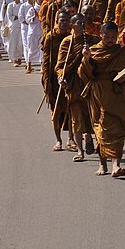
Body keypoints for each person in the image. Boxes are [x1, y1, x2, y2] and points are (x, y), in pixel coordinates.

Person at [79, 21, 125, 177]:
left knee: (117, 129)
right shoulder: (93, 51)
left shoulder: (123, 52)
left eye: (114, 37)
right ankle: (102, 164)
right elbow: (83, 74)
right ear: (101, 35)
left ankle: (116, 165)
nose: (110, 40)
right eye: (107, 37)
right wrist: (86, 60)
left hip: (116, 95)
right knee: (100, 129)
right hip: (97, 94)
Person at [56, 13, 101, 161]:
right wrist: (61, 76)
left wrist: (89, 55)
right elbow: (60, 64)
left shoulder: (93, 39)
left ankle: (89, 137)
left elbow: (100, 59)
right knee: (76, 117)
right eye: (78, 23)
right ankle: (80, 151)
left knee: (91, 114)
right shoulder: (67, 43)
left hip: (89, 82)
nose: (82, 25)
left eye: (84, 22)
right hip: (74, 84)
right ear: (72, 25)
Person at [42, 10, 72, 151]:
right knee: (56, 110)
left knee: (72, 109)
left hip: (70, 77)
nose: (64, 23)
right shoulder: (51, 37)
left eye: (67, 20)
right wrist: (46, 81)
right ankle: (58, 140)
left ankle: (71, 139)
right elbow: (46, 60)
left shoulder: (72, 36)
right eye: (62, 21)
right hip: (54, 78)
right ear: (57, 21)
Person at [19, 0, 42, 72]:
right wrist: (33, 16)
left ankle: (42, 66)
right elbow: (27, 20)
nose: (41, 1)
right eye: (40, 0)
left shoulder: (43, 9)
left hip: (41, 32)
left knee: (41, 49)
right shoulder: (32, 9)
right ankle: (29, 65)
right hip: (32, 32)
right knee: (31, 49)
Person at [4, 0, 24, 66]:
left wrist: (18, 17)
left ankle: (19, 58)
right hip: (13, 27)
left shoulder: (23, 5)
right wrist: (17, 17)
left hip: (21, 26)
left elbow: (23, 15)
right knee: (13, 43)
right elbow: (10, 16)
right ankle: (14, 58)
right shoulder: (10, 6)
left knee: (20, 43)